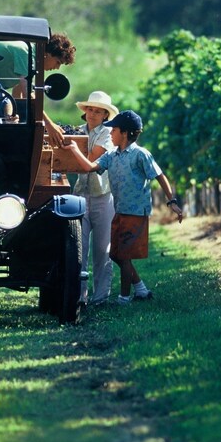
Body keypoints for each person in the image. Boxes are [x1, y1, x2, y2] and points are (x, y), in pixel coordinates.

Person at [63, 110, 183, 305]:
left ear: (125, 133)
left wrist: (172, 202)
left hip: (135, 212)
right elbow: (89, 168)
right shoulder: (112, 155)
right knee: (116, 254)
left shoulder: (140, 154)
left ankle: (124, 298)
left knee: (123, 255)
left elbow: (159, 176)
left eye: (114, 130)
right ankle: (141, 290)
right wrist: (74, 150)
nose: (110, 133)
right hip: (120, 211)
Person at [0, 34, 76, 145]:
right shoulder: (26, 54)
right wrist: (49, 124)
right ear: (48, 54)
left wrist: (17, 121)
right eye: (58, 62)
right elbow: (28, 93)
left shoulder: (30, 60)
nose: (57, 68)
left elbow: (18, 94)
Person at [72, 91, 119, 306]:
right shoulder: (78, 132)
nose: (92, 113)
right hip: (81, 193)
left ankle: (100, 297)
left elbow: (91, 160)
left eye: (98, 111)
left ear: (105, 115)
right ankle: (78, 296)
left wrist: (71, 150)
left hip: (102, 196)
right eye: (90, 109)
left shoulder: (107, 135)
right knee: (78, 248)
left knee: (102, 249)